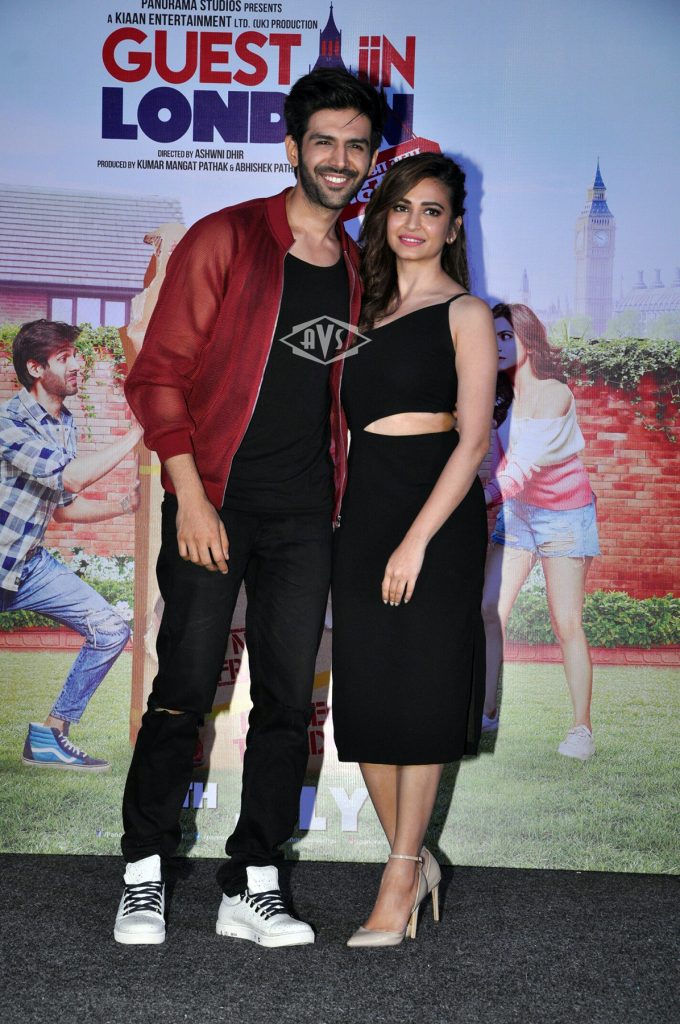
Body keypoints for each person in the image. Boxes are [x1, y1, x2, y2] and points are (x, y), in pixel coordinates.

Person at [114, 68, 384, 947]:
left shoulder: (358, 269)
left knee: (285, 705)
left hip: (305, 519)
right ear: (293, 148)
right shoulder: (227, 238)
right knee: (184, 689)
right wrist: (191, 497)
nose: (339, 159)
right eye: (324, 141)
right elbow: (157, 375)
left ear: (370, 159)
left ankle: (254, 880)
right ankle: (144, 870)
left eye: (356, 145)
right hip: (215, 502)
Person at [331, 153, 497, 947]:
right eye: (401, 207)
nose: (414, 223)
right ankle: (418, 859)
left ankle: (398, 875)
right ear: (382, 217)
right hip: (363, 512)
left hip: (437, 514)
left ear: (454, 227)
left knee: (424, 692)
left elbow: (473, 441)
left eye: (432, 211)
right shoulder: (356, 315)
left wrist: (417, 540)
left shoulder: (467, 313)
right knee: (367, 696)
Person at [0, 319, 141, 771]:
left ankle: (50, 736)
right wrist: (137, 432)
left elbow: (63, 508)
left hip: (28, 566)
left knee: (111, 629)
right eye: (65, 357)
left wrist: (123, 505)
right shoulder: (8, 423)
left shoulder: (65, 423)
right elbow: (72, 476)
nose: (78, 364)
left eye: (76, 354)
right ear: (36, 368)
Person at [480, 303, 600, 760]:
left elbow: (522, 468)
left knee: (566, 622)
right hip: (519, 513)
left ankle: (581, 729)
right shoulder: (499, 399)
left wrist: (475, 499)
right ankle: (487, 711)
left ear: (528, 339)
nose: (498, 346)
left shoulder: (554, 394)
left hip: (564, 515)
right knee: (489, 609)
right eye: (492, 337)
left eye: (506, 336)